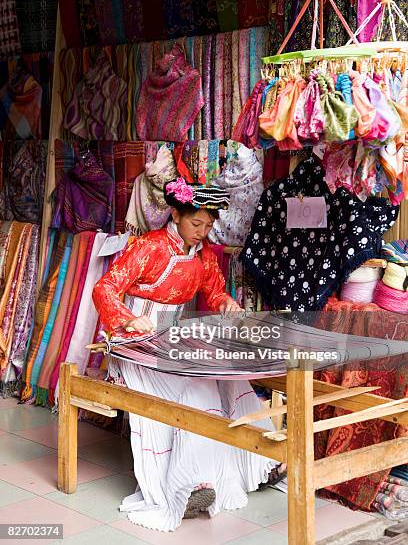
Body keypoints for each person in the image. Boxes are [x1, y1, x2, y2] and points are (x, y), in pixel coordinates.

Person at [92, 177, 284, 532]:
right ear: (176, 214)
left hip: (172, 340)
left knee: (228, 379)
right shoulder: (149, 247)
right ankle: (191, 484)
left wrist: (227, 303)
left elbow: (215, 292)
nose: (202, 231)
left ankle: (261, 461)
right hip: (135, 342)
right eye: (196, 223)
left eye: (209, 226)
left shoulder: (205, 257)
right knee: (193, 392)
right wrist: (129, 320)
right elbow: (104, 288)